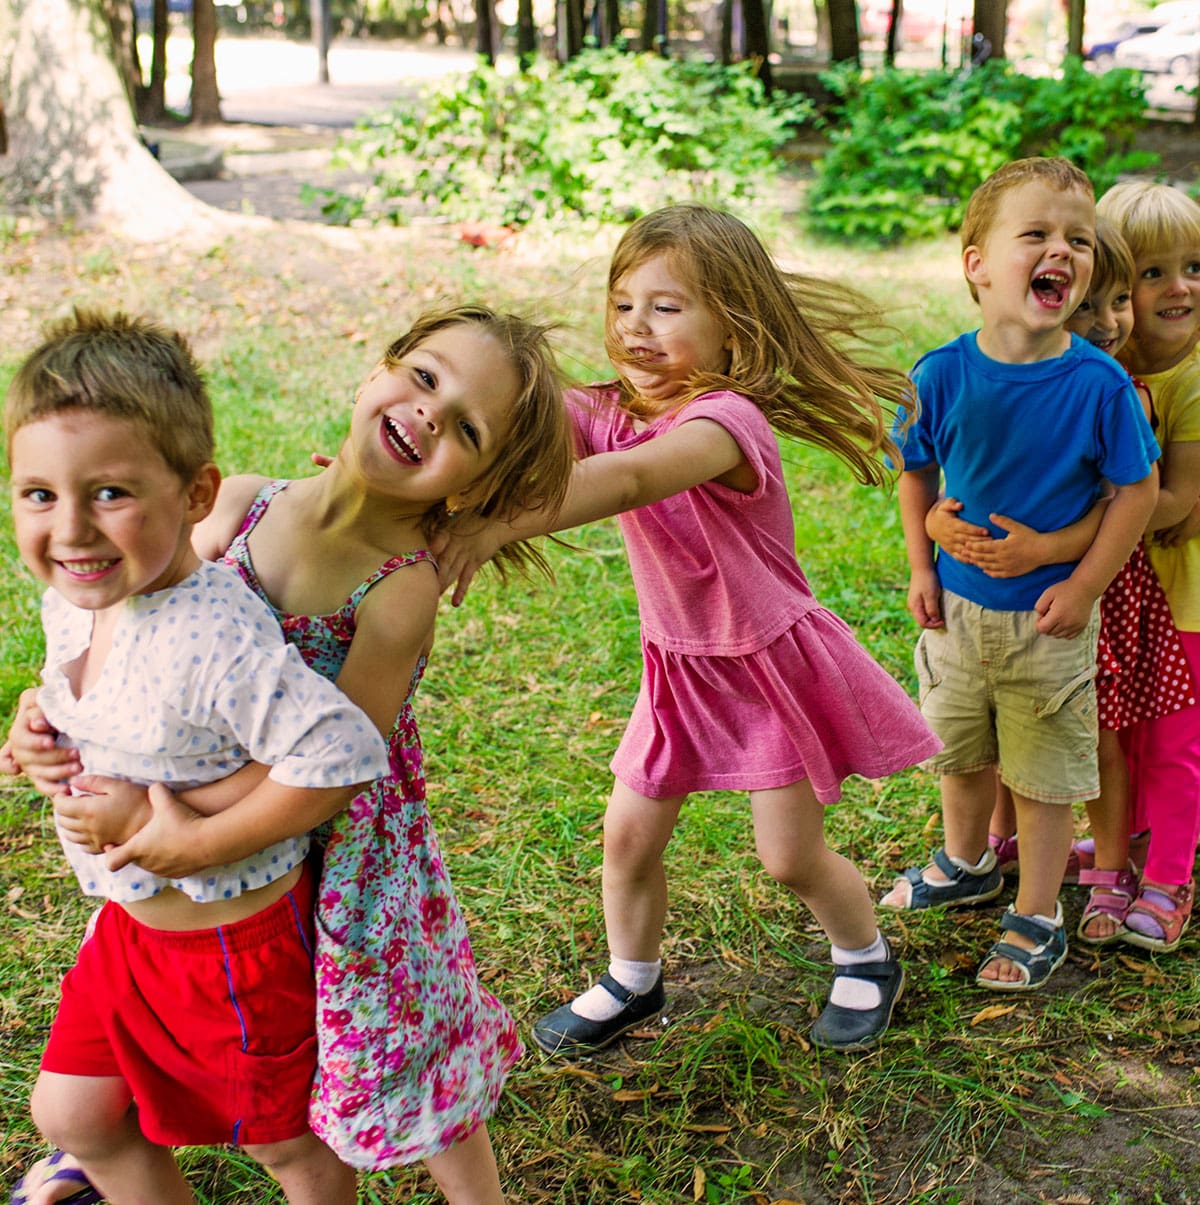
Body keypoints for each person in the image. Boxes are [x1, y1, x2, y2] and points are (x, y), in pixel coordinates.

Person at [13, 305, 576, 1204]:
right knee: (123, 1049)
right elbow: (137, 624)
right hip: (185, 826)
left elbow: (340, 759)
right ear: (377, 371)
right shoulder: (242, 504)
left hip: (326, 836)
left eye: (467, 426)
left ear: (476, 482)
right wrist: (50, 715)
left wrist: (184, 833)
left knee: (399, 1034)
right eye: (426, 378)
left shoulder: (399, 590)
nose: (430, 412)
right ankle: (97, 1147)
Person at [434, 204, 943, 1054]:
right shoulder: (603, 407)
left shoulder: (726, 423)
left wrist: (500, 525)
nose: (636, 326)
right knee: (626, 837)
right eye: (623, 301)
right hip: (679, 670)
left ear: (734, 331)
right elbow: (515, 423)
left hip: (765, 667)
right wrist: (403, 472)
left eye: (667, 308)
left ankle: (866, 952)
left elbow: (631, 476)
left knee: (789, 856)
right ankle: (633, 978)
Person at [2, 309, 391, 1205]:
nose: (71, 530)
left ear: (194, 492)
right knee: (75, 1114)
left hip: (228, 952)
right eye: (39, 495)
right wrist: (37, 729)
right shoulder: (81, 596)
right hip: (128, 936)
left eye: (110, 493)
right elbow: (93, 696)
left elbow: (341, 751)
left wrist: (191, 840)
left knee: (291, 1151)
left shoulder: (212, 636)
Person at [881, 157, 1160, 992]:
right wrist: (920, 564)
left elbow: (1136, 492)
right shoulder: (939, 373)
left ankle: (1037, 914)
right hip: (957, 616)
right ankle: (966, 861)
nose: (1061, 252)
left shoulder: (1099, 385)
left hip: (1048, 622)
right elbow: (916, 472)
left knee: (1041, 776)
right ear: (977, 264)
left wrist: (1082, 586)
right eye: (1035, 234)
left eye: (1078, 239)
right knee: (960, 752)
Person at [924, 218, 1195, 946]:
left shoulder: (1111, 391)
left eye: (1116, 302)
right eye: (1091, 306)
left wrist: (1052, 554)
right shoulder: (973, 370)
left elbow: (1128, 504)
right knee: (1010, 731)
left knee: (1091, 738)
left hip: (1090, 589)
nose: (1107, 321)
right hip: (1003, 602)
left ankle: (1111, 870)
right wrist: (934, 529)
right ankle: (996, 845)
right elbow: (939, 472)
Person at [1094, 179, 1200, 951]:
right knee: (1121, 730)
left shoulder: (1192, 379)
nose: (1181, 286)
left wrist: (1087, 529)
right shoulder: (1101, 373)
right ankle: (1122, 851)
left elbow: (1181, 498)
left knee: (1171, 740)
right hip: (1127, 590)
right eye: (1152, 272)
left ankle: (1169, 873)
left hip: (1187, 594)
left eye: (1195, 266)